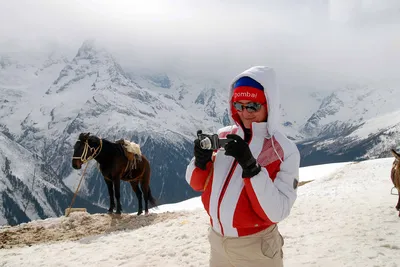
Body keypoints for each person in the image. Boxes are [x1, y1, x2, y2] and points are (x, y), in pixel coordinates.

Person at [185, 66, 300, 267]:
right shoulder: (223, 136)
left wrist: (251, 168)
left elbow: (278, 212)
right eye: (239, 105)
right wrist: (200, 162)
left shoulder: (284, 150)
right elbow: (196, 184)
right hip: (218, 242)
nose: (245, 113)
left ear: (268, 105)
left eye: (253, 106)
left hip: (256, 249)